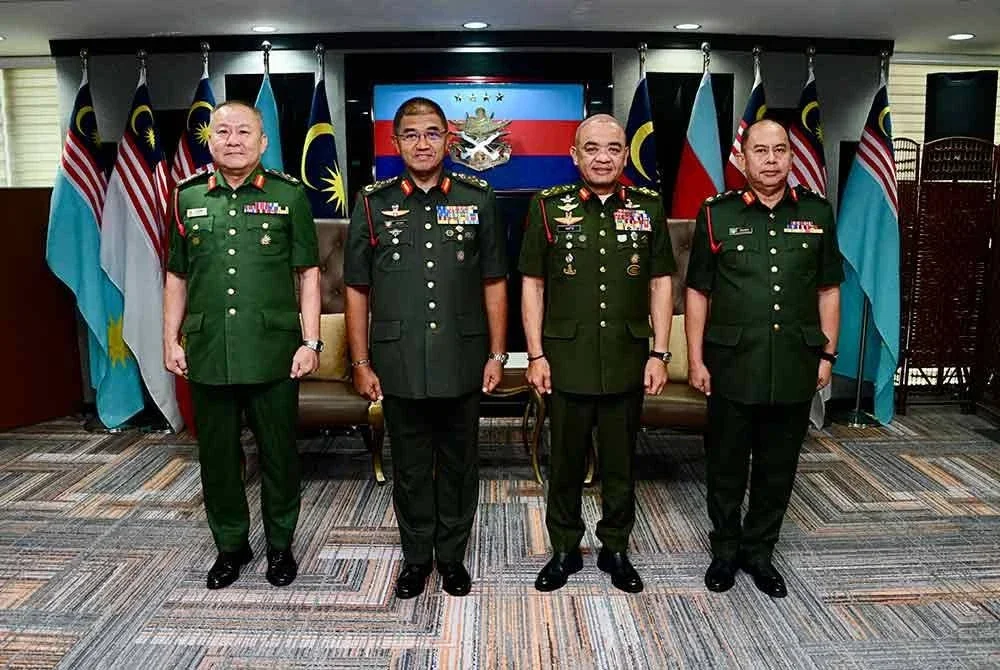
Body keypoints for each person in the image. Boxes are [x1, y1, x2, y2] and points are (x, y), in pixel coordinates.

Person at [344, 97, 508, 600]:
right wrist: (360, 361)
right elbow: (356, 287)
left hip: (462, 354)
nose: (422, 143)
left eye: (432, 133)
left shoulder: (477, 197)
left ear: (448, 140)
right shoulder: (372, 202)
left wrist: (497, 354)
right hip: (399, 358)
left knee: (460, 462)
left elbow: (495, 281)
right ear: (395, 143)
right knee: (411, 465)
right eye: (411, 134)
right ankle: (417, 558)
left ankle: (452, 556)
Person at [164, 101, 321, 590]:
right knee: (217, 457)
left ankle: (280, 546)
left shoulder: (289, 196)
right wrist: (170, 337)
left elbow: (308, 273)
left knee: (279, 454)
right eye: (223, 131)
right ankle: (230, 546)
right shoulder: (187, 197)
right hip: (209, 349)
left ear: (263, 141)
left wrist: (310, 340)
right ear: (210, 139)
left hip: (273, 350)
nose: (233, 140)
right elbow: (176, 274)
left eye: (244, 132)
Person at [685, 118, 843, 599]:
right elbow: (697, 292)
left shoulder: (817, 212)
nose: (771, 160)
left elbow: (828, 289)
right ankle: (725, 551)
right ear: (742, 158)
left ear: (792, 158)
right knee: (726, 466)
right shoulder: (716, 213)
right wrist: (695, 359)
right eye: (761, 151)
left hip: (795, 362)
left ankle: (761, 553)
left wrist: (827, 355)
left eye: (780, 151)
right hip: (732, 363)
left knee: (778, 466)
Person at [519, 114, 676, 594]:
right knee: (563, 462)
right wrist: (536, 354)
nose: (603, 157)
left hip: (628, 356)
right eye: (592, 148)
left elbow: (660, 282)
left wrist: (661, 353)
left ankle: (616, 547)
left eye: (613, 148)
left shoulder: (648, 205)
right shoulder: (547, 206)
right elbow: (532, 284)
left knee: (620, 463)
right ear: (575, 154)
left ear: (626, 155)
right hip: (565, 359)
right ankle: (564, 548)